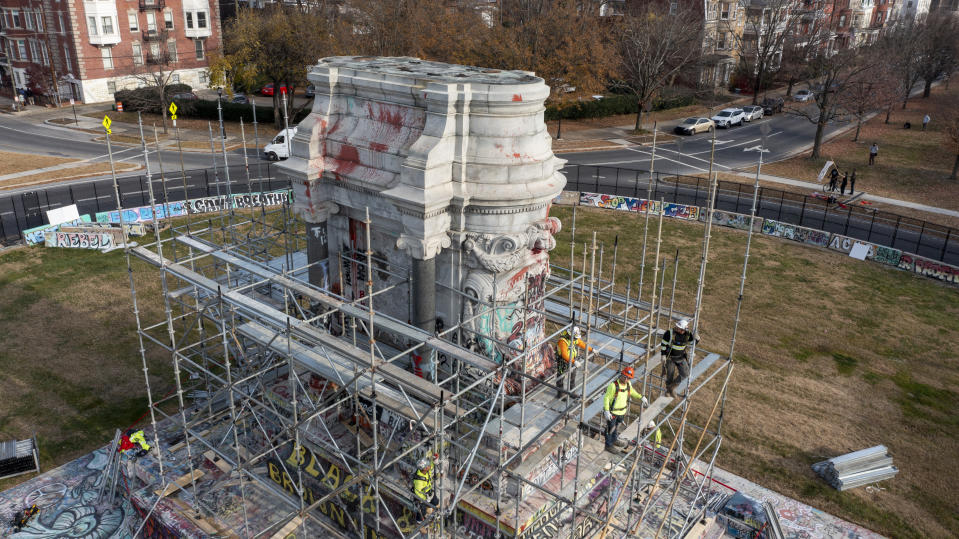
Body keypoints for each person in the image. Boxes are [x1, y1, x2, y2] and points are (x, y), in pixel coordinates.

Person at [603, 367, 649, 451]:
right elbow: (606, 398)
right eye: (625, 377)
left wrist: (641, 397)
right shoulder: (613, 386)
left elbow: (632, 392)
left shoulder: (628, 384)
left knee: (616, 427)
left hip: (622, 411)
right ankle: (608, 445)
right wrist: (606, 411)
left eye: (628, 378)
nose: (626, 379)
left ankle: (614, 439)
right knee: (610, 428)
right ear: (622, 375)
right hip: (613, 412)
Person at [661, 318, 699, 397]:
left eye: (680, 329)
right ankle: (668, 391)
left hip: (680, 357)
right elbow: (663, 344)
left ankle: (672, 387)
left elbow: (693, 344)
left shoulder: (688, 334)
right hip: (670, 357)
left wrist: (697, 339)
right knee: (670, 375)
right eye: (678, 328)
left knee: (685, 373)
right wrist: (663, 355)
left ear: (684, 329)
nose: (678, 329)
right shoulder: (669, 333)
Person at [555, 326, 593, 396]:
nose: (575, 339)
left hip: (572, 360)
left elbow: (581, 343)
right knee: (561, 377)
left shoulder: (574, 338)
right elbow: (564, 355)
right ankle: (560, 394)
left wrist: (592, 349)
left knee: (572, 376)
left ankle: (572, 392)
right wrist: (574, 362)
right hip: (563, 361)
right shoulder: (562, 341)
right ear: (570, 335)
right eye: (575, 338)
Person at [412, 456, 438, 521]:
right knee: (422, 510)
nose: (430, 466)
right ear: (425, 468)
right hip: (422, 499)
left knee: (435, 500)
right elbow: (418, 493)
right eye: (428, 466)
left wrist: (434, 460)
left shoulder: (425, 471)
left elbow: (431, 465)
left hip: (428, 494)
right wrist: (426, 500)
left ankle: (429, 508)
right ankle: (419, 522)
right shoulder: (419, 481)